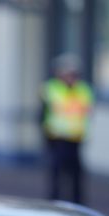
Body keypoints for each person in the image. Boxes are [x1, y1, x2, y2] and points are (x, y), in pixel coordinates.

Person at [41, 54, 93, 204]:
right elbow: (43, 115)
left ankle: (78, 204)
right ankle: (54, 202)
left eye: (73, 74)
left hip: (76, 138)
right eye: (67, 73)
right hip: (57, 138)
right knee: (57, 175)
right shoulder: (50, 89)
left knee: (76, 175)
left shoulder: (84, 90)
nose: (70, 77)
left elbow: (86, 112)